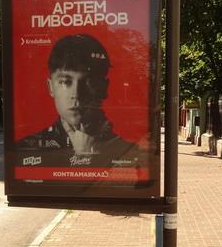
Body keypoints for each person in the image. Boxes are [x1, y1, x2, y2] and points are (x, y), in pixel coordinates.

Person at [16, 34, 142, 168]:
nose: (76, 94)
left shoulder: (130, 152)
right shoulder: (25, 149)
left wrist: (85, 158)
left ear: (104, 88)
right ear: (51, 87)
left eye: (88, 82)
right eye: (65, 82)